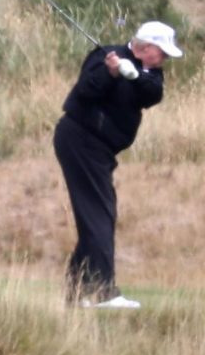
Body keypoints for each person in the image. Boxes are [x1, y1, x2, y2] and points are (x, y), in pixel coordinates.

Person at [54, 21, 183, 309]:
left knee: (100, 215)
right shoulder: (105, 55)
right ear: (145, 46)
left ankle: (77, 293)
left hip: (101, 150)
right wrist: (110, 73)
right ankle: (102, 292)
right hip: (80, 139)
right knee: (99, 213)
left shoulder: (152, 73)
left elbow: (152, 94)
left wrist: (132, 74)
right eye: (161, 52)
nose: (163, 59)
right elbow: (86, 91)